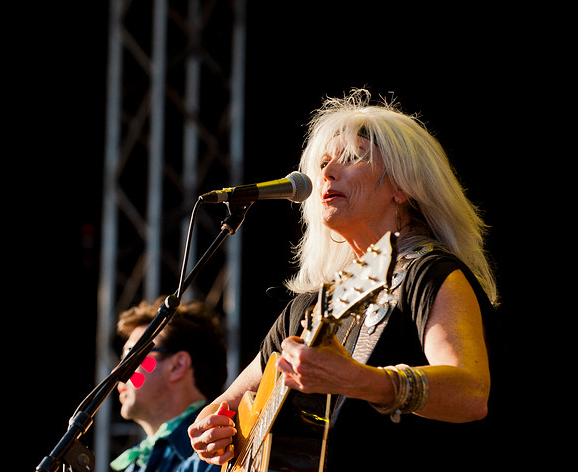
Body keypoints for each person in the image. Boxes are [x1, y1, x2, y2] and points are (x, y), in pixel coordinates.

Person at [187, 89, 502, 470]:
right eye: (323, 162)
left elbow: (471, 393)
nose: (327, 173)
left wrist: (364, 381)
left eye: (353, 158)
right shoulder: (306, 311)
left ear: (403, 185)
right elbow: (226, 406)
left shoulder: (427, 273)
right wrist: (214, 430)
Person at [112, 296, 227, 472]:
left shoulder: (224, 450)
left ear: (178, 365)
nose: (116, 372)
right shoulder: (136, 463)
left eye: (131, 356)